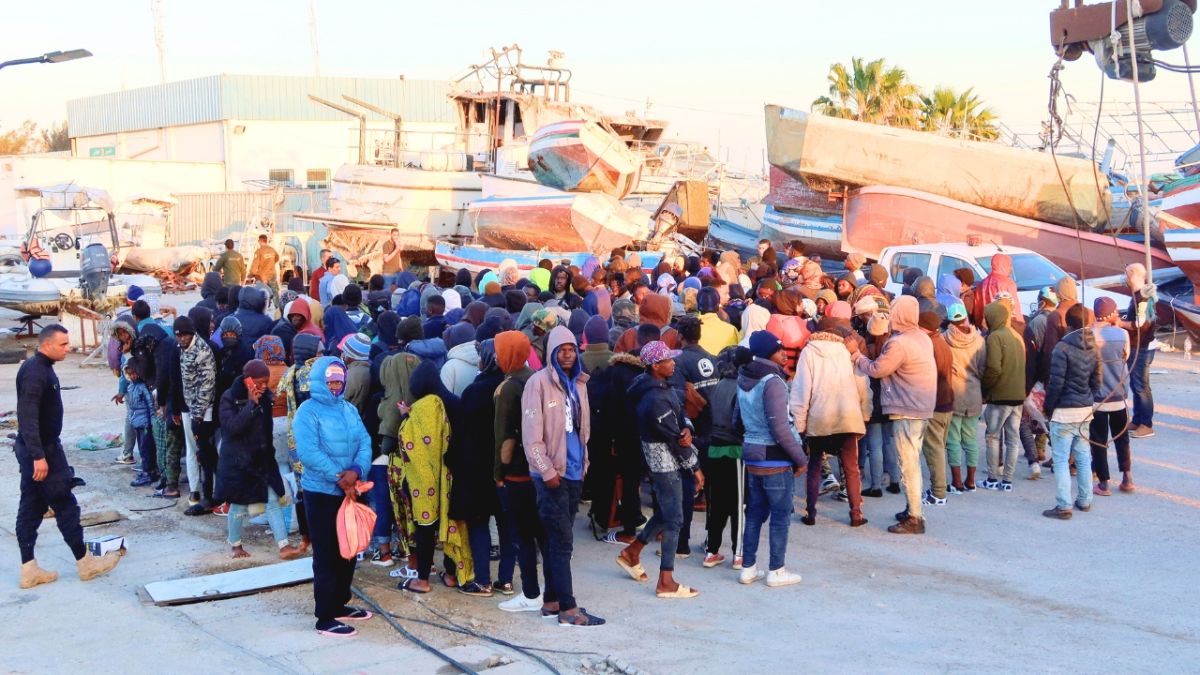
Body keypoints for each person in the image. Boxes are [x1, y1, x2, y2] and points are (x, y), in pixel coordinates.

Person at [16, 325, 122, 588]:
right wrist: (38, 456)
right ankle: (85, 563)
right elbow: (27, 416)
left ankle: (29, 569)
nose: (68, 348)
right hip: (43, 452)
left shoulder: (41, 368)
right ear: (47, 345)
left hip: (38, 449)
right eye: (63, 344)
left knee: (31, 506)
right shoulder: (36, 372)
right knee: (65, 505)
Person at [521, 326, 604, 626]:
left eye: (571, 349)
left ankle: (552, 601)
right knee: (561, 542)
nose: (567, 355)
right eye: (561, 350)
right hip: (551, 475)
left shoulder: (580, 383)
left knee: (555, 539)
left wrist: (584, 465)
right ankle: (568, 609)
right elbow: (531, 436)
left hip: (574, 472)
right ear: (551, 353)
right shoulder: (538, 384)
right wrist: (546, 471)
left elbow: (583, 429)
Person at [616, 341, 704, 599]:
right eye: (667, 360)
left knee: (667, 513)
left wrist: (687, 428)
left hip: (665, 460)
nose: (673, 363)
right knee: (674, 520)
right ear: (655, 366)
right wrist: (695, 467)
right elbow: (675, 440)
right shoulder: (654, 398)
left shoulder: (659, 386)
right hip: (664, 464)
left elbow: (681, 415)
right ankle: (666, 581)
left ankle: (632, 552)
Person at [294, 357, 375, 637]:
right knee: (327, 553)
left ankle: (340, 603)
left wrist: (356, 470)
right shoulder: (308, 411)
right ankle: (325, 616)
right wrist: (340, 478)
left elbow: (365, 442)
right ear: (320, 381)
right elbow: (308, 452)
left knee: (348, 551)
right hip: (322, 493)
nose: (335, 386)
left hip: (351, 490)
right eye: (330, 381)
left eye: (339, 381)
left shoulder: (348, 409)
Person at [847, 295, 936, 535]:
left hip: (907, 408)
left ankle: (915, 517)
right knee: (912, 461)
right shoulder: (922, 337)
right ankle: (912, 508)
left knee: (908, 465)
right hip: (921, 407)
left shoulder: (899, 343)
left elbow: (878, 369)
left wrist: (856, 355)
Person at [392, 360, 474, 593]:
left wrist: (407, 417)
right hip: (455, 474)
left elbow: (415, 442)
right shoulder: (454, 401)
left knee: (425, 527)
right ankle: (451, 574)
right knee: (451, 524)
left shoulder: (425, 406)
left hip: (427, 479)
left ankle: (423, 580)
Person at [216, 359, 305, 561]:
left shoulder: (265, 397)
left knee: (272, 499)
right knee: (239, 505)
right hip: (238, 462)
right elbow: (232, 428)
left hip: (261, 459)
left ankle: (283, 545)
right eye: (259, 382)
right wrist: (250, 405)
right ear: (247, 380)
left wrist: (268, 454)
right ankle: (235, 544)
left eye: (266, 382)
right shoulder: (229, 397)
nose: (264, 386)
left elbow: (266, 429)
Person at [735, 331, 805, 586]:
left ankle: (748, 568)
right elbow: (780, 427)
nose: (785, 353)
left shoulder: (744, 378)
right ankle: (776, 570)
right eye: (779, 349)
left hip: (753, 456)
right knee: (780, 517)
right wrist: (800, 459)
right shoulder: (773, 381)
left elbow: (736, 420)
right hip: (775, 458)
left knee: (755, 514)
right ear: (767, 353)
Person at [492, 331, 552, 612]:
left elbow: (504, 438)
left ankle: (530, 593)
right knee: (543, 535)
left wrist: (498, 474)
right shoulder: (538, 379)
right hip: (541, 469)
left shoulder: (507, 388)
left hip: (516, 472)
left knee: (522, 536)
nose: (496, 357)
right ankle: (553, 591)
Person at [791, 321, 870, 528]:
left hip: (820, 417)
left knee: (815, 465)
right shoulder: (848, 351)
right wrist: (865, 413)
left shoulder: (809, 351)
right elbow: (862, 383)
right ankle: (856, 513)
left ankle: (811, 513)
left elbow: (801, 390)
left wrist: (799, 425)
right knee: (851, 467)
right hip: (847, 415)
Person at [455, 340, 510, 597]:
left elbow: (462, 433)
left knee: (478, 523)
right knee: (506, 524)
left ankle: (483, 581)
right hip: (507, 467)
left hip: (477, 469)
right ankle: (506, 580)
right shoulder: (512, 387)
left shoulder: (474, 391)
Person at [1042, 305, 1100, 519]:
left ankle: (1064, 505)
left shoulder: (1062, 348)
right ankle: (1085, 500)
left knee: (1060, 460)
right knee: (1083, 457)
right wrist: (1087, 398)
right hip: (1084, 410)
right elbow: (1097, 382)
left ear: (1068, 323)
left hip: (1063, 412)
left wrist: (1048, 407)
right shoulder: (1094, 347)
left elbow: (1055, 383)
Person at [701, 346, 749, 569]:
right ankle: (739, 554)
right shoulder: (741, 387)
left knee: (718, 503)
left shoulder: (717, 385)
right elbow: (739, 422)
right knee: (738, 504)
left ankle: (711, 551)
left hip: (714, 448)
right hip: (735, 450)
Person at [981, 300, 1027, 491]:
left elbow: (994, 368)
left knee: (992, 437)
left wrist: (984, 390)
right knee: (1012, 439)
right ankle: (1007, 481)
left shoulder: (995, 337)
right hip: (1018, 396)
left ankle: (992, 478)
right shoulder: (1017, 336)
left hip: (1000, 396)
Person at [1090, 297, 1134, 495]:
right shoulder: (1123, 334)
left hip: (1097, 399)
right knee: (1121, 438)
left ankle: (1103, 483)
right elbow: (1126, 356)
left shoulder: (1088, 335)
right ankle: (1127, 477)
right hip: (1119, 395)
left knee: (1098, 440)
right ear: (1111, 314)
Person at [175, 317, 218, 516]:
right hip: (191, 409)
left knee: (206, 455)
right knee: (197, 453)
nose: (181, 338)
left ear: (192, 333)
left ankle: (209, 498)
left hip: (203, 413)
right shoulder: (183, 348)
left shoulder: (202, 351)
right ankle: (201, 494)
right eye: (178, 335)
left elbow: (207, 386)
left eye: (185, 335)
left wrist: (198, 415)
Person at [943, 302, 986, 493]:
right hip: (974, 392)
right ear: (965, 318)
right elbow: (983, 368)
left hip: (953, 393)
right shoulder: (979, 340)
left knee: (952, 439)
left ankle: (957, 481)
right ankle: (971, 481)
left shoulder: (945, 339)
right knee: (970, 439)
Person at [919, 310, 954, 506]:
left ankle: (938, 493)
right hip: (945, 401)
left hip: (936, 403)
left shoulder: (930, 345)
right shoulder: (941, 342)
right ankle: (939, 488)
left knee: (934, 450)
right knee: (939, 447)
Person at [1122, 263, 1157, 438]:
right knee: (1136, 386)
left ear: (1133, 274)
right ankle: (1137, 419)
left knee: (1141, 387)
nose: (1125, 278)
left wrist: (1119, 323)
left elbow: (1140, 325)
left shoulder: (1142, 298)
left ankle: (1146, 424)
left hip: (1141, 347)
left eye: (1126, 274)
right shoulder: (1139, 295)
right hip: (1138, 346)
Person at [122, 358, 156, 489]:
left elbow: (150, 405)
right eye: (129, 374)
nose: (132, 376)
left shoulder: (143, 387)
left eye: (134, 373)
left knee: (146, 448)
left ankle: (148, 472)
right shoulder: (131, 386)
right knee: (142, 448)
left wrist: (151, 422)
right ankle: (147, 471)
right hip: (137, 423)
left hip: (145, 424)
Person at [249, 233, 280, 299]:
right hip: (272, 274)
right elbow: (277, 258)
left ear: (260, 241)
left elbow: (255, 265)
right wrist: (271, 263)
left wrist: (251, 274)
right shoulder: (272, 250)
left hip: (262, 276)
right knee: (274, 293)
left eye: (258, 241)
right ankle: (277, 305)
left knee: (263, 294)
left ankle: (265, 304)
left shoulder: (259, 251)